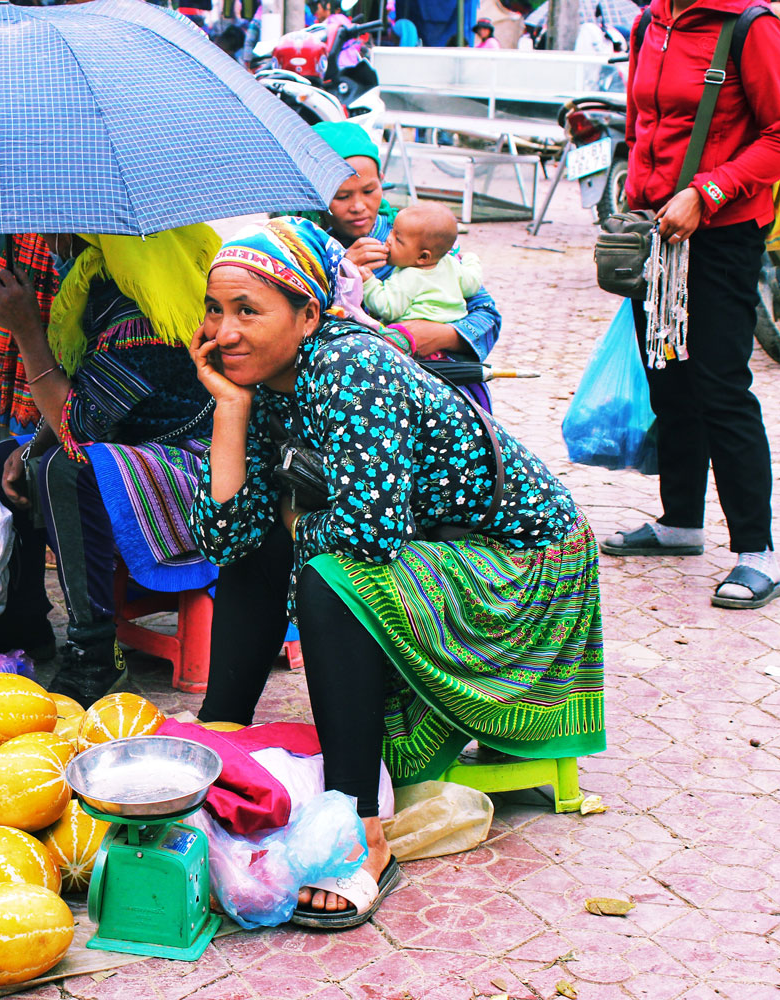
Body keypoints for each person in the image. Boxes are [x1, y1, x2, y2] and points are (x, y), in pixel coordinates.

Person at [189, 216, 606, 928]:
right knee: (266, 543)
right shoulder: (263, 379)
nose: (223, 332)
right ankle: (219, 737)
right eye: (215, 309)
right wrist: (230, 409)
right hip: (432, 544)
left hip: (522, 562)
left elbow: (367, 533)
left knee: (329, 568)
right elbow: (226, 536)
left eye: (247, 311)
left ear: (309, 313)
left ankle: (360, 828)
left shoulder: (356, 366)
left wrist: (295, 530)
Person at [603, 0, 780, 610]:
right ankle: (681, 522)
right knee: (668, 377)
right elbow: (641, 125)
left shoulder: (751, 27)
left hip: (722, 234)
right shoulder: (650, 22)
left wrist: (707, 190)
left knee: (720, 387)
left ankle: (757, 552)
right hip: (655, 232)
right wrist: (636, 202)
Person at [0, 228, 219, 706]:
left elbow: (81, 424)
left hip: (190, 462)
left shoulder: (141, 308)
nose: (44, 237)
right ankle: (25, 623)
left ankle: (95, 656)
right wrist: (26, 450)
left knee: (64, 468)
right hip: (125, 442)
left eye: (52, 225)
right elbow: (86, 395)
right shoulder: (98, 279)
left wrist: (26, 329)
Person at [302, 120, 503, 407]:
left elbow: (487, 314)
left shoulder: (421, 234)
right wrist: (338, 272)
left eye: (370, 190)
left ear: (382, 179)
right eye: (342, 196)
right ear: (316, 191)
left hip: (437, 388)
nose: (359, 206)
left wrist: (438, 335)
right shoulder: (306, 246)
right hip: (352, 398)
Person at [357, 201, 483, 332]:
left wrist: (369, 282)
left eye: (398, 239)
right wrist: (471, 259)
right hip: (450, 331)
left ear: (423, 257)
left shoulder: (409, 276)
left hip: (411, 340)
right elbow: (472, 284)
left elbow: (388, 308)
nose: (388, 239)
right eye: (392, 231)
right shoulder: (451, 264)